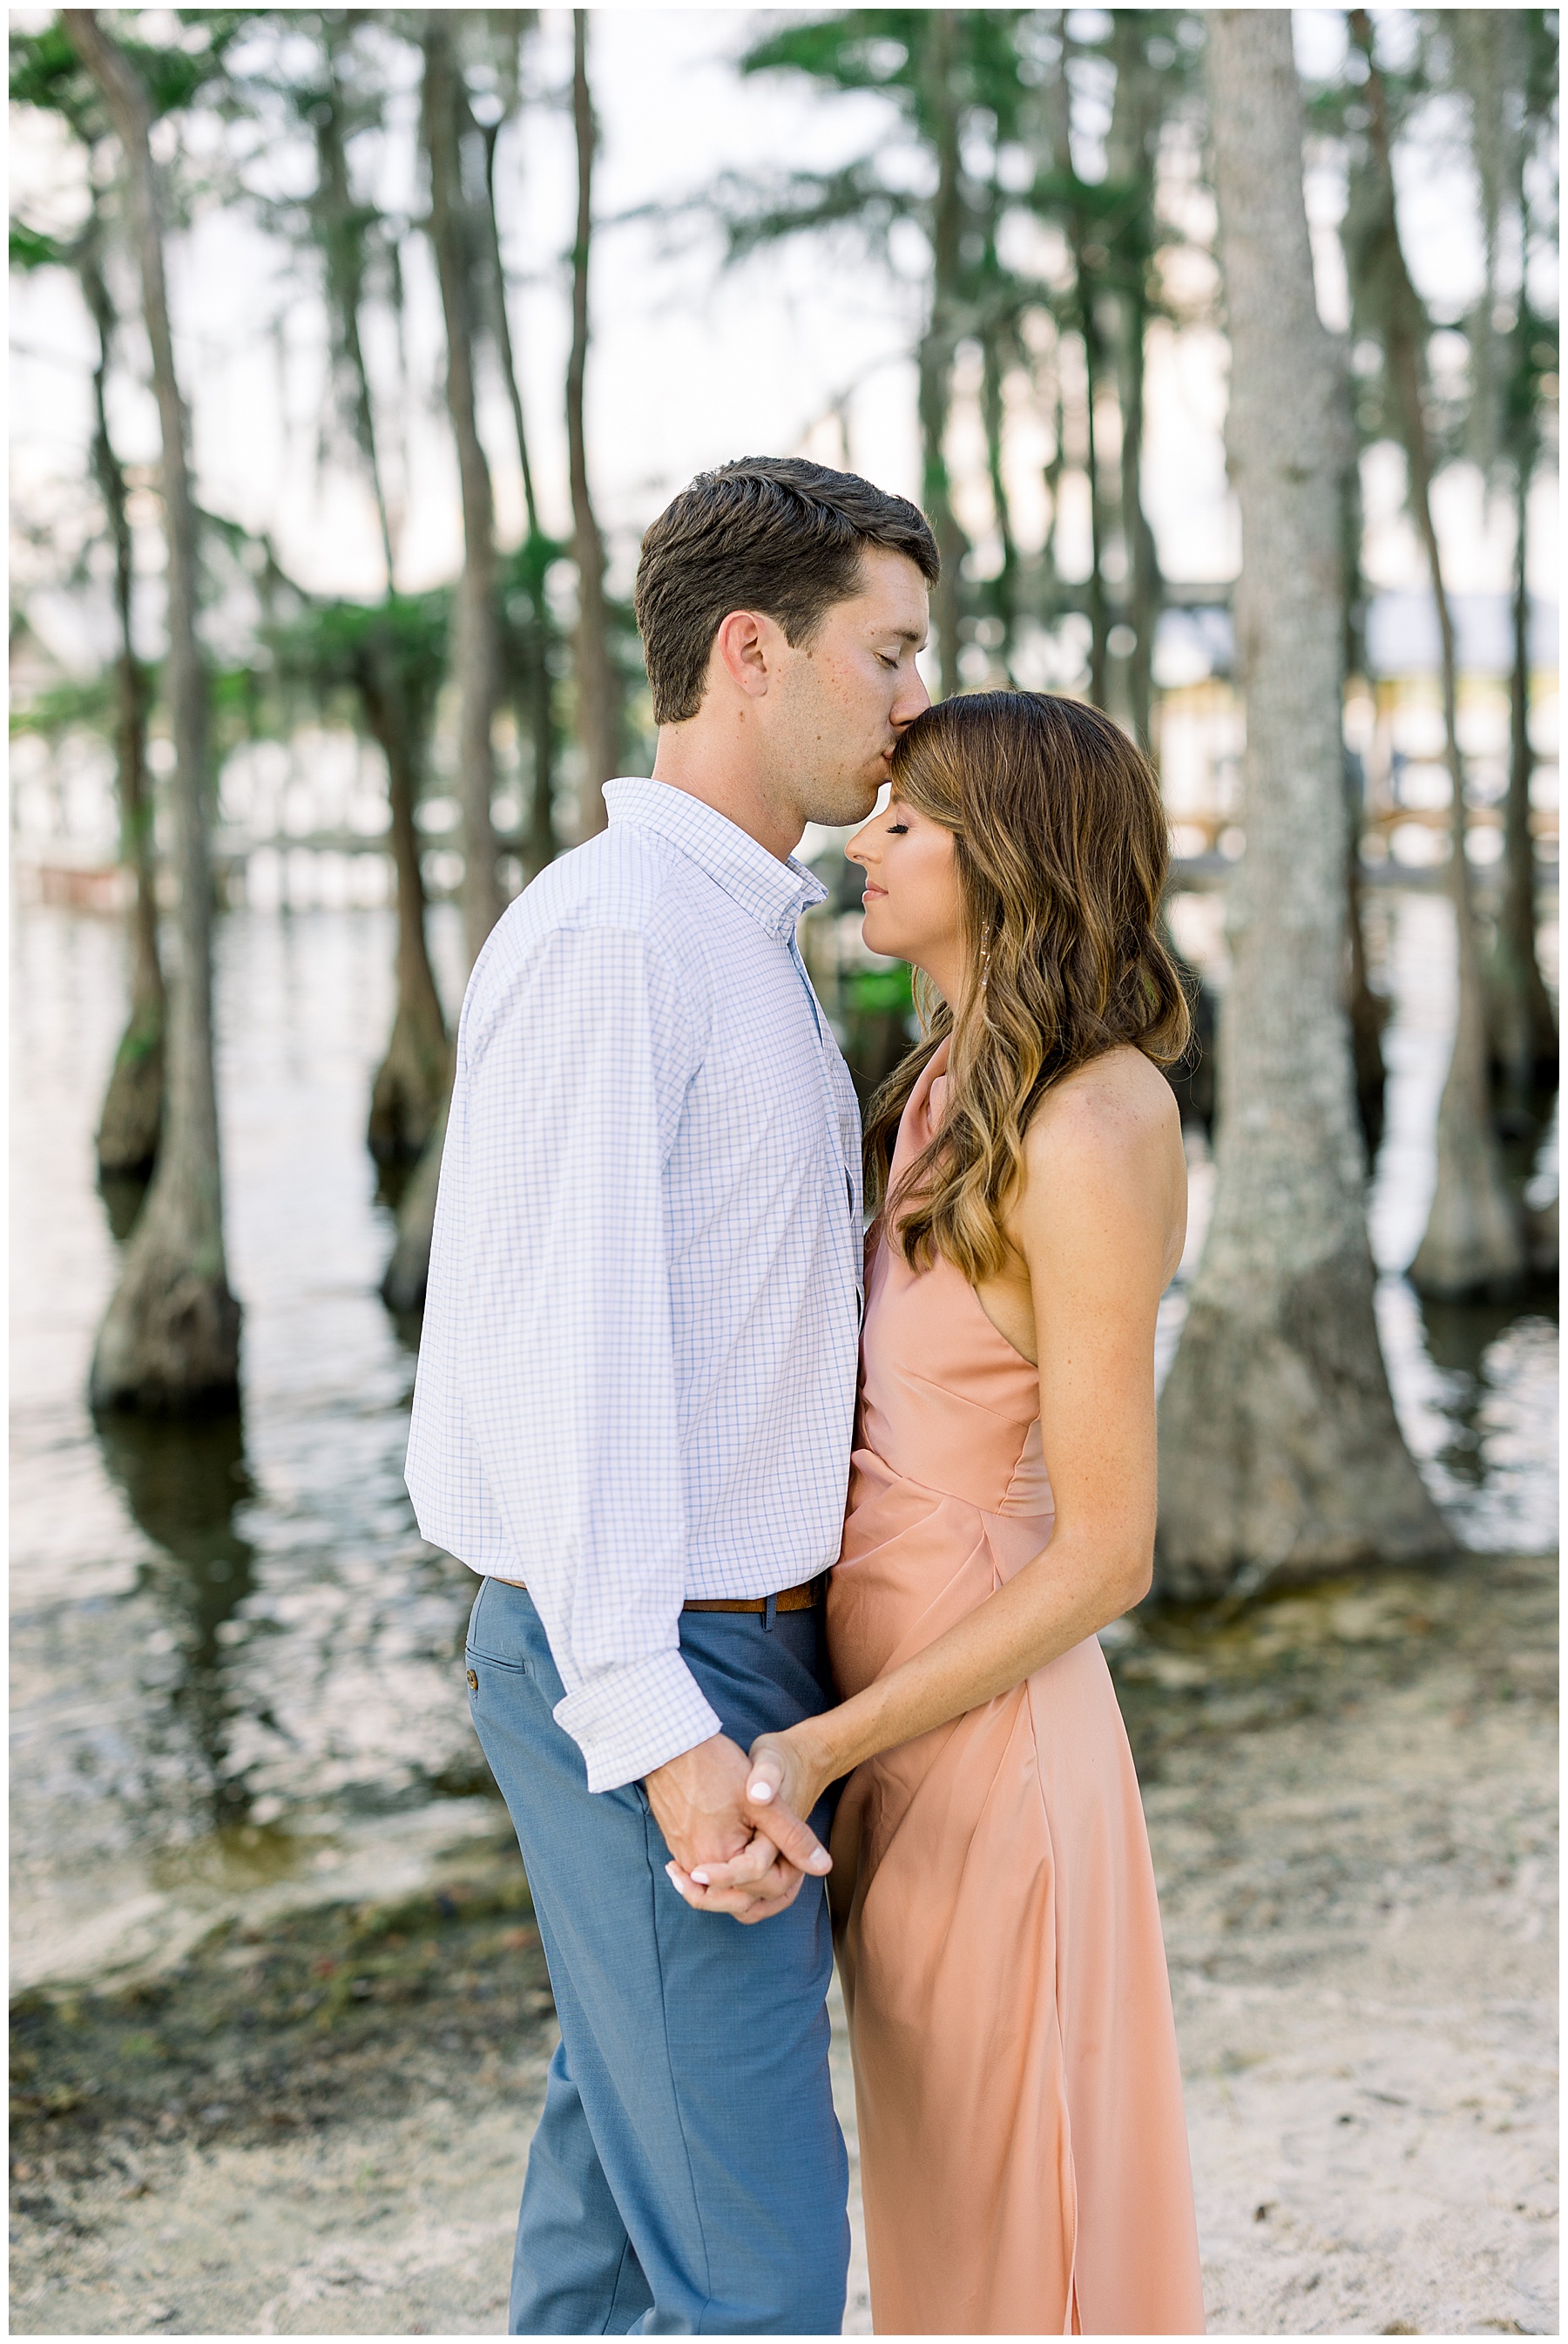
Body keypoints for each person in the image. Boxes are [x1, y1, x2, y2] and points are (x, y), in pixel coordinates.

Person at [404, 455, 936, 2334]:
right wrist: (660, 1720)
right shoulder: (625, 938)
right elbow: (578, 1368)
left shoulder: (739, 932)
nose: (914, 702)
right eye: (886, 653)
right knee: (762, 2274)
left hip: (729, 1646)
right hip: (653, 1650)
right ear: (748, 651)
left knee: (631, 2207)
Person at [670, 690, 1208, 2334]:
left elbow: (1109, 1547)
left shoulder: (1094, 1121)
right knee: (930, 2212)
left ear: (1019, 856)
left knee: (1009, 2222)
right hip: (884, 1719)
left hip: (986, 1738)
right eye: (878, 809)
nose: (862, 841)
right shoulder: (934, 1091)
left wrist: (828, 1744)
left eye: (911, 820)